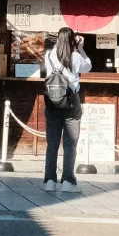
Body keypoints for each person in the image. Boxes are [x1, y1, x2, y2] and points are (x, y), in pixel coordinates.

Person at [40, 27, 90, 190]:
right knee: (70, 143)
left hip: (52, 102)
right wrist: (80, 48)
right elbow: (88, 66)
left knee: (52, 143)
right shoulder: (75, 56)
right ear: (71, 40)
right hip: (71, 102)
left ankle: (49, 181)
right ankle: (68, 180)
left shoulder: (48, 55)